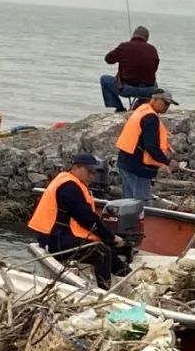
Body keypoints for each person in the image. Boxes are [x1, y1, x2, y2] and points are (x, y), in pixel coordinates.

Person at [28, 153, 126, 289]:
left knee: (108, 248)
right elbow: (87, 218)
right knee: (101, 252)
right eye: (89, 171)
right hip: (53, 239)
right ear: (76, 167)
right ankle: (104, 291)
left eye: (94, 172)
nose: (92, 175)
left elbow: (87, 218)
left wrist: (108, 238)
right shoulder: (69, 188)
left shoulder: (72, 183)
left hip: (59, 234)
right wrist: (110, 237)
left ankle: (126, 275)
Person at [115, 88, 176, 202]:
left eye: (169, 104)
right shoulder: (150, 118)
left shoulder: (142, 110)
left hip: (125, 160)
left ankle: (128, 219)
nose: (167, 107)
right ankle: (144, 220)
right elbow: (151, 146)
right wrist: (168, 162)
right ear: (154, 99)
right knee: (142, 203)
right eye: (165, 103)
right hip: (138, 166)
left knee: (128, 202)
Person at [100, 26, 162, 112]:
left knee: (104, 79)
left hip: (127, 89)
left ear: (133, 35)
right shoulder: (153, 49)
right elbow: (155, 68)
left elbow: (108, 59)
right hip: (149, 91)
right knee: (154, 84)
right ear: (147, 38)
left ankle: (119, 108)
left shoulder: (124, 47)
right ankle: (139, 107)